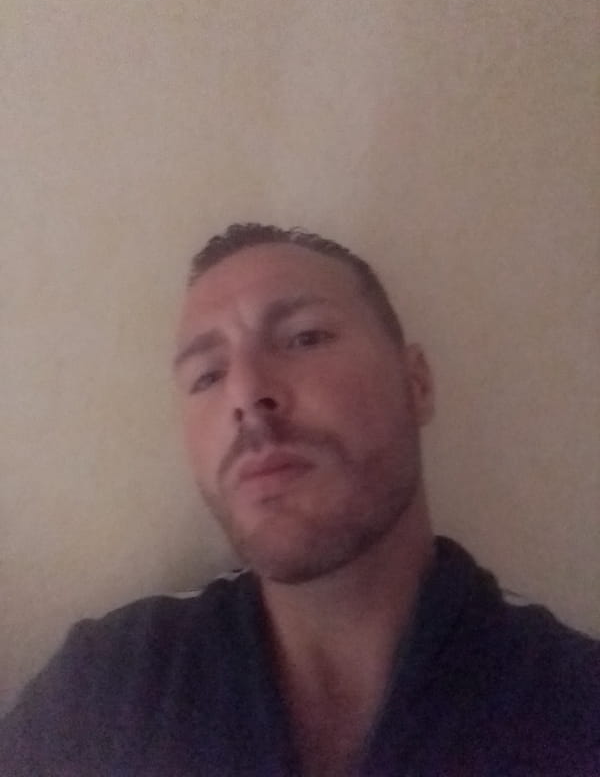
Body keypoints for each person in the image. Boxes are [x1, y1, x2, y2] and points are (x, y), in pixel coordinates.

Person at [1, 223, 598, 776]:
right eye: (207, 375)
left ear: (416, 383)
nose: (246, 392)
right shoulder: (103, 690)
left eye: (304, 337)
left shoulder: (575, 707)